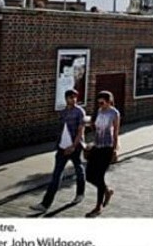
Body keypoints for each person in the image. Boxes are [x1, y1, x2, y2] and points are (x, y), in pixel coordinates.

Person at [30, 89, 86, 213]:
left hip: (75, 147)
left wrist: (73, 146)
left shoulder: (80, 112)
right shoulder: (63, 112)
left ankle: (80, 194)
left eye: (75, 97)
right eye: (71, 97)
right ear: (66, 98)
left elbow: (80, 131)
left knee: (79, 170)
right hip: (62, 147)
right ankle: (45, 204)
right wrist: (60, 145)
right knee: (56, 175)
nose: (74, 99)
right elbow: (62, 130)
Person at [85, 90, 120, 218]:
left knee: (99, 176)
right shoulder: (98, 111)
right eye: (98, 102)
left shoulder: (114, 113)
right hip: (97, 146)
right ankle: (107, 191)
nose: (100, 104)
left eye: (102, 102)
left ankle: (98, 207)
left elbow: (116, 132)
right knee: (89, 175)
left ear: (109, 101)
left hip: (107, 147)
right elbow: (94, 127)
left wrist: (115, 150)